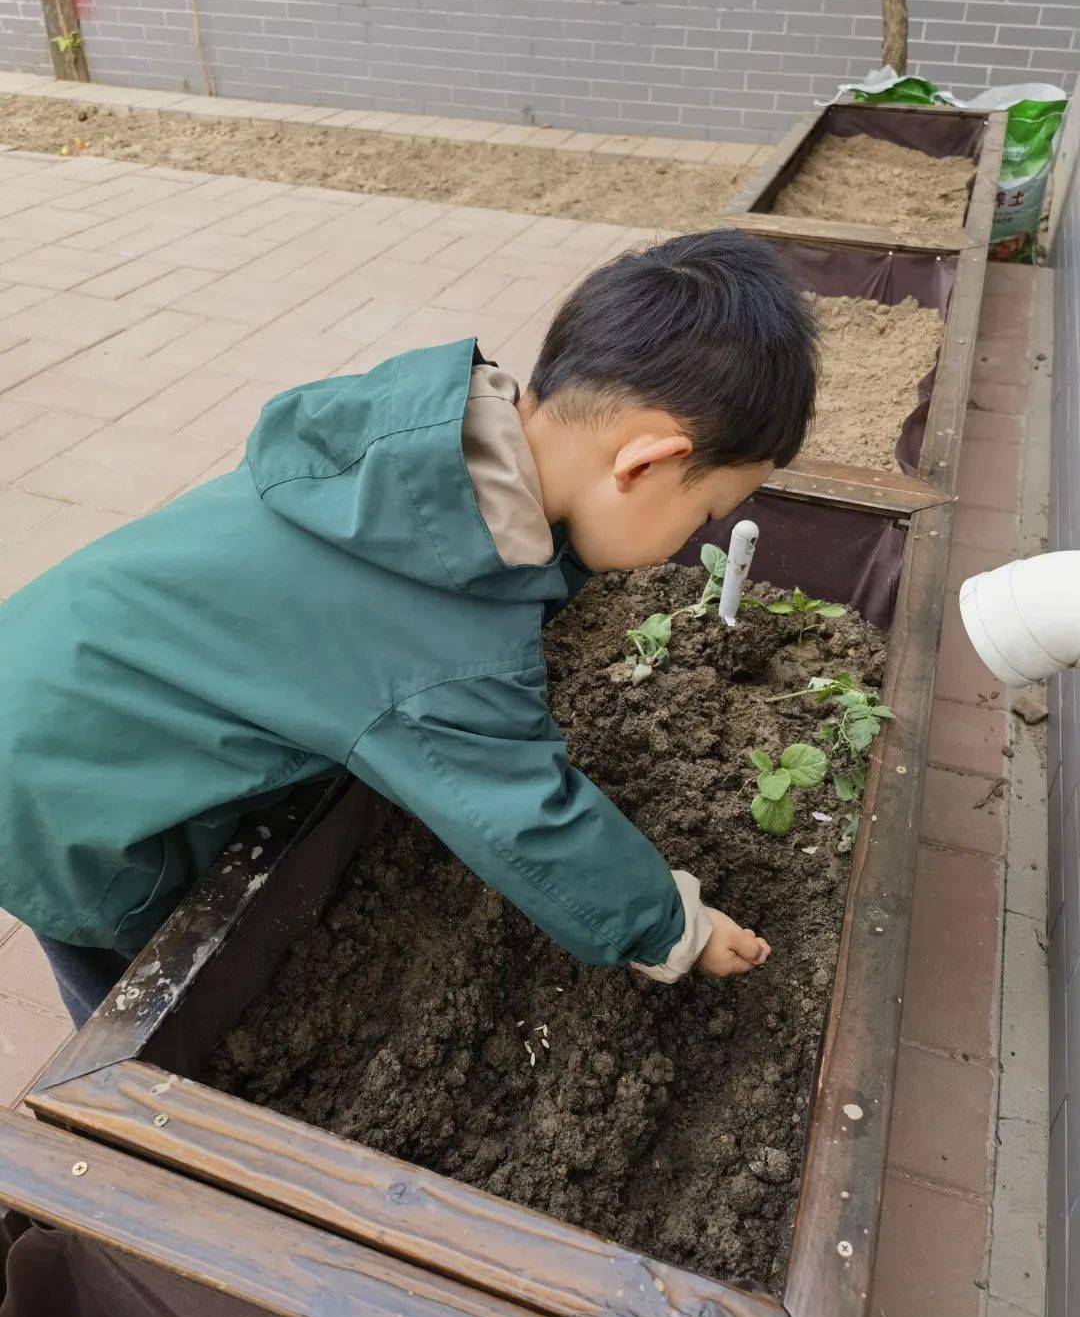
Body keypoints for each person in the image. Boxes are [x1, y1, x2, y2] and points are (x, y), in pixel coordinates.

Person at [0, 228, 818, 1027]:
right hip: (62, 797)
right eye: (705, 512)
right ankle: (118, 1129)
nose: (692, 539)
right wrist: (676, 927)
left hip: (57, 664)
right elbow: (524, 816)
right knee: (142, 997)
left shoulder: (424, 457)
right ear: (641, 465)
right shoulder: (438, 635)